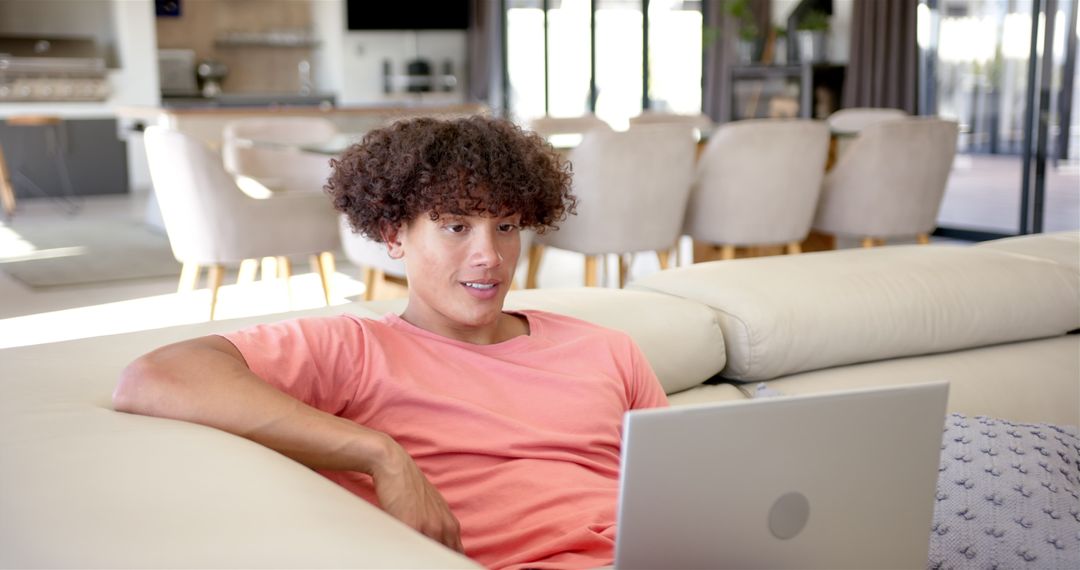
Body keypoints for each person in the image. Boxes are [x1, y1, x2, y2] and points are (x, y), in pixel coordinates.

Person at [113, 116, 669, 569]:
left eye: (506, 226)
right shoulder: (356, 349)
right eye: (456, 226)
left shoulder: (609, 349)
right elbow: (155, 377)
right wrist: (380, 454)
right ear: (393, 235)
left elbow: (686, 494)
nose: (489, 256)